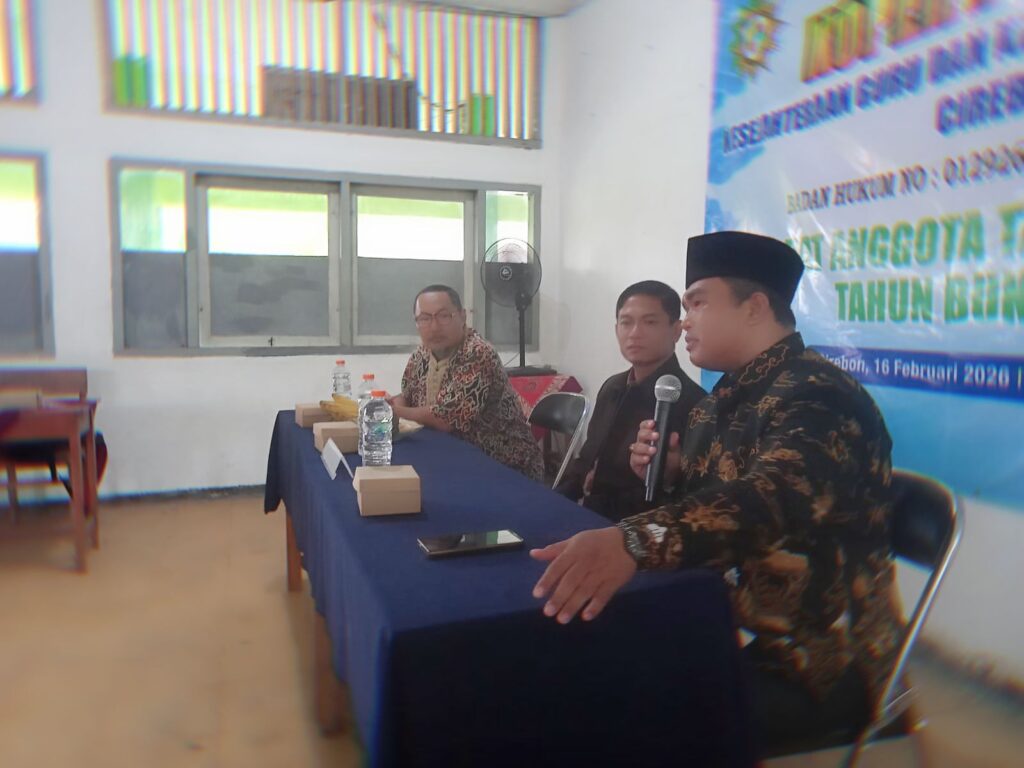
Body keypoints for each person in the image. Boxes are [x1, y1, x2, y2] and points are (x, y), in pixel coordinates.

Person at [529, 231, 903, 756]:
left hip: (810, 656)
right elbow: (715, 504)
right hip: (715, 617)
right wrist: (672, 475)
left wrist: (633, 541)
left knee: (613, 709)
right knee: (568, 658)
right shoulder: (719, 401)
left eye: (698, 303)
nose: (685, 322)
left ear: (754, 308)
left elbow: (769, 500)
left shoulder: (818, 396)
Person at [555, 280, 703, 521]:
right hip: (579, 514)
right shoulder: (612, 387)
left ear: (676, 331)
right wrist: (554, 502)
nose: (635, 333)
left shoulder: (695, 404)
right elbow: (585, 460)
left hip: (632, 529)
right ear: (616, 330)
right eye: (626, 322)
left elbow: (686, 499)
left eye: (650, 322)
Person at [390, 284, 544, 482]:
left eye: (444, 316)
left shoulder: (478, 353)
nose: (434, 327)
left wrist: (395, 412)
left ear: (462, 316)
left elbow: (445, 419)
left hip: (503, 466)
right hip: (450, 457)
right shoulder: (422, 354)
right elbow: (407, 396)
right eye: (425, 318)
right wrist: (391, 406)